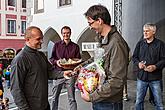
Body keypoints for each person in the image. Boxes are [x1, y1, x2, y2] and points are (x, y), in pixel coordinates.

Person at [74, 5, 129, 110]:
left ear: (99, 20)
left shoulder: (116, 43)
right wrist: (81, 67)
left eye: (90, 23)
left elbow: (117, 81)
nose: (90, 27)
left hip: (109, 103)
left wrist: (91, 97)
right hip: (101, 99)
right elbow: (97, 60)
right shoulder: (103, 39)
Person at [10, 26, 72, 110]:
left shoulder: (41, 55)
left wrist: (63, 74)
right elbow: (16, 89)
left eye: (42, 38)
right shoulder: (20, 59)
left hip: (45, 106)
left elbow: (50, 72)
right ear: (28, 39)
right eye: (38, 39)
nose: (42, 41)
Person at [132, 23, 165, 110]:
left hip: (155, 79)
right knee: (138, 101)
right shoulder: (140, 44)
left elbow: (163, 59)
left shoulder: (160, 44)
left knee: (159, 103)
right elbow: (134, 57)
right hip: (142, 78)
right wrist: (138, 63)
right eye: (144, 31)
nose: (145, 33)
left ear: (153, 32)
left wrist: (155, 66)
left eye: (147, 31)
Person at [50, 26, 81, 110]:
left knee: (72, 98)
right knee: (54, 98)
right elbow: (51, 59)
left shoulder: (75, 46)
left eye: (67, 33)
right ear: (62, 34)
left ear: (70, 34)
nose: (66, 35)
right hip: (58, 74)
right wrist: (57, 62)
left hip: (70, 74)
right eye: (64, 33)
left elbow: (78, 61)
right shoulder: (56, 45)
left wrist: (76, 70)